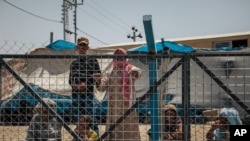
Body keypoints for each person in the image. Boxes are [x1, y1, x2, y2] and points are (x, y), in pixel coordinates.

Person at [97, 48, 142, 141]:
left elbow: (138, 72)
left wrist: (135, 72)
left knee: (129, 131)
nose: (119, 57)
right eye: (117, 56)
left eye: (121, 55)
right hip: (114, 108)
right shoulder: (110, 72)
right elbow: (101, 88)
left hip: (127, 107)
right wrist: (97, 81)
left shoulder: (130, 69)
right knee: (114, 130)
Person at [69, 37, 101, 134]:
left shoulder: (93, 61)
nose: (82, 47)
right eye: (80, 45)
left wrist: (87, 84)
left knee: (92, 120)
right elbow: (70, 80)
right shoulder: (74, 63)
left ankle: (96, 138)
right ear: (77, 47)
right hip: (76, 95)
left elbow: (98, 77)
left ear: (88, 47)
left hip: (88, 94)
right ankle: (80, 138)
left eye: (84, 45)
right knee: (78, 121)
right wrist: (78, 86)